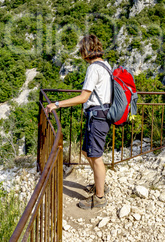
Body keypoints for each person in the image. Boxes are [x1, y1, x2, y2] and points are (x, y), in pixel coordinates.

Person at [46, 34, 112, 210]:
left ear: (86, 51)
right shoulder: (105, 65)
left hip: (97, 115)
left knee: (96, 157)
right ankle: (100, 185)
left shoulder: (93, 68)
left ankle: (99, 197)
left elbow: (84, 97)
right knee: (86, 152)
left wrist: (57, 104)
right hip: (101, 114)